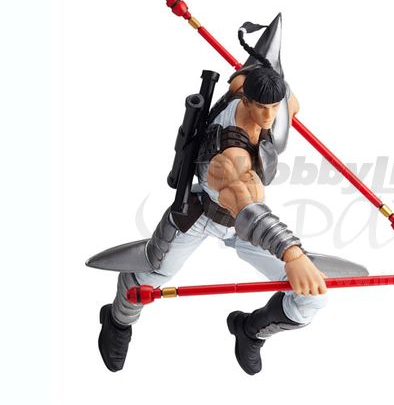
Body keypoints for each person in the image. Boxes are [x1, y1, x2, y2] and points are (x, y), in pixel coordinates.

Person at [94, 26, 328, 376]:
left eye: (274, 107)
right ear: (246, 101)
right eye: (262, 107)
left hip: (242, 221)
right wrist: (292, 254)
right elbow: (246, 207)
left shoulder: (251, 88)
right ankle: (116, 321)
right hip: (203, 213)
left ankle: (250, 330)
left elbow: (280, 94)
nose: (270, 117)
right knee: (146, 279)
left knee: (312, 298)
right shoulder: (229, 155)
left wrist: (280, 93)